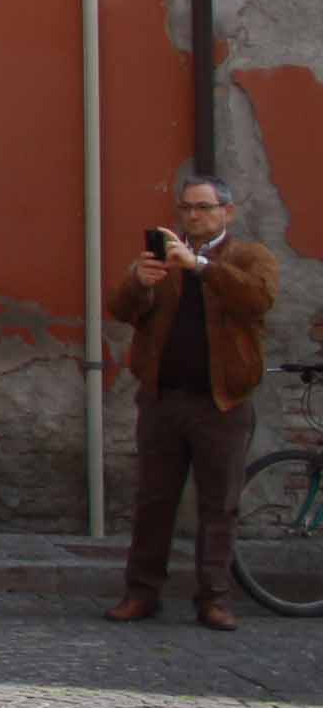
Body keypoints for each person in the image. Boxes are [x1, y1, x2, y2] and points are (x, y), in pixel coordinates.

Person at [107, 170, 280, 631]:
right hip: (164, 399)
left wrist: (201, 267)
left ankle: (214, 599)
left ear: (227, 212)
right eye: (186, 208)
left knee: (218, 504)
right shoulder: (162, 257)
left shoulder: (250, 256)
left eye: (203, 207)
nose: (194, 216)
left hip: (221, 402)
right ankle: (141, 593)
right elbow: (122, 311)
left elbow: (259, 300)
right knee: (153, 501)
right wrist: (139, 282)